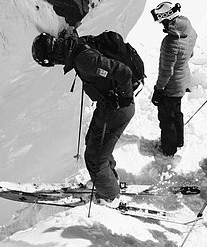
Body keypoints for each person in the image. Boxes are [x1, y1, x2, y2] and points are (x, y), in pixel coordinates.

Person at [31, 30, 135, 203]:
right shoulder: (73, 45)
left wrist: (125, 98)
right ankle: (108, 181)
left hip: (117, 109)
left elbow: (124, 72)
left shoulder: (84, 59)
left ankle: (109, 197)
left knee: (94, 159)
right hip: (108, 105)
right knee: (93, 143)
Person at [149, 1, 197, 156]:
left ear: (167, 19)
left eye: (162, 21)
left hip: (171, 85)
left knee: (166, 118)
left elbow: (166, 71)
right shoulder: (189, 29)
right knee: (176, 112)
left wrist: (158, 89)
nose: (161, 24)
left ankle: (168, 149)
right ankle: (178, 140)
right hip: (183, 79)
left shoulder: (170, 42)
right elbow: (190, 53)